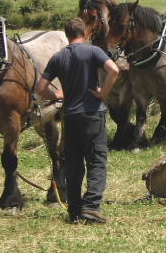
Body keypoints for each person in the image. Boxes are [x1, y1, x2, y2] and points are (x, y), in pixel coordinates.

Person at [36, 17, 119, 224]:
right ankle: (91, 206)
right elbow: (114, 70)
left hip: (70, 117)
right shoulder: (93, 51)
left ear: (66, 34)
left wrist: (57, 95)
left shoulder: (57, 57)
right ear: (84, 33)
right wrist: (102, 94)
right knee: (96, 160)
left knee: (73, 163)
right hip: (92, 114)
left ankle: (74, 209)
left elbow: (40, 89)